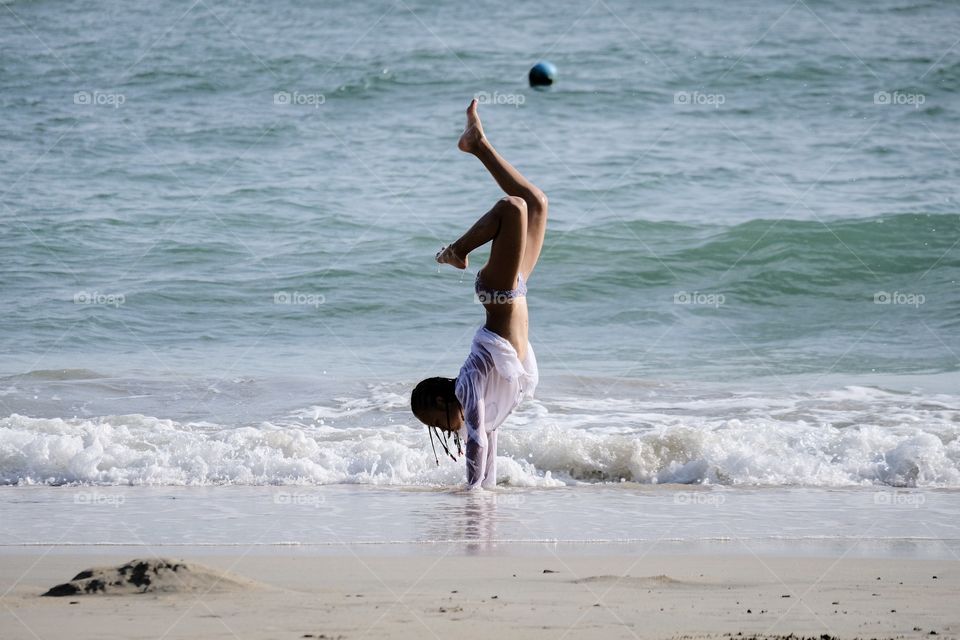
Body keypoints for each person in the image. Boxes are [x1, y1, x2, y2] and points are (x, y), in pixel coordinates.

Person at [411, 98, 548, 489]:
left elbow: (473, 444)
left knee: (512, 208)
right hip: (514, 290)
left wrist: (472, 497)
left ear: (442, 402)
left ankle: (456, 251)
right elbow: (486, 444)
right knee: (536, 204)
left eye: (437, 423)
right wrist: (483, 493)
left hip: (499, 295)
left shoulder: (468, 386)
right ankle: (477, 144)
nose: (445, 430)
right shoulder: (484, 407)